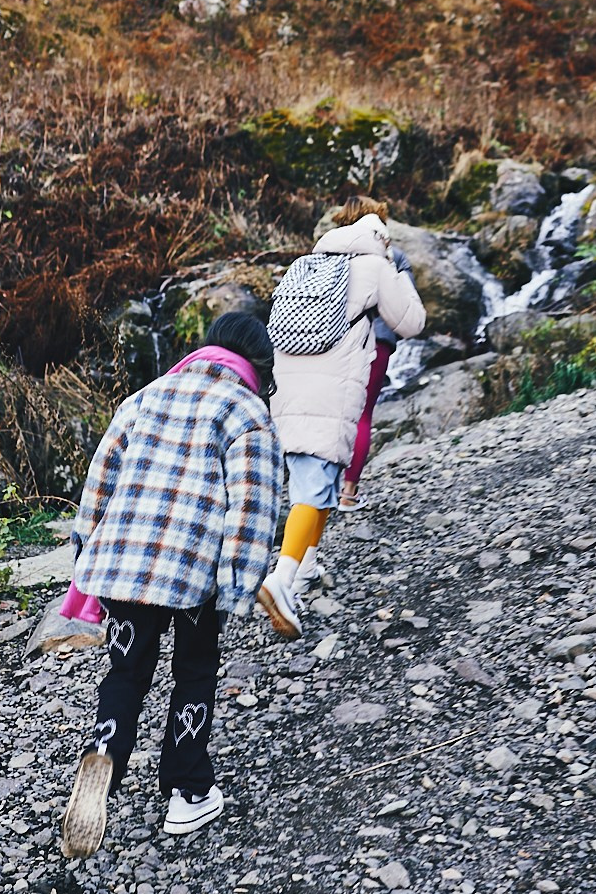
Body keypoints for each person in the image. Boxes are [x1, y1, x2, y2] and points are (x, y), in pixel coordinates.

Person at [61, 312, 282, 860]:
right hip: (191, 571)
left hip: (122, 566)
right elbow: (251, 510)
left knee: (126, 669)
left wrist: (87, 557)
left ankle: (104, 757)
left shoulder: (144, 397)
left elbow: (100, 481)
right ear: (259, 368)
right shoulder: (247, 411)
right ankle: (187, 789)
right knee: (194, 669)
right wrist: (235, 589)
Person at [258, 199, 426, 640]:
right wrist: (397, 269)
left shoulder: (304, 266)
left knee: (317, 479)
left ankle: (306, 565)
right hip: (332, 386)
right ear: (380, 241)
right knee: (314, 486)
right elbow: (412, 322)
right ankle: (282, 579)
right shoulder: (374, 268)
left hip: (287, 385)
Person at [338, 213, 417, 512]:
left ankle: (320, 489)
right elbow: (407, 308)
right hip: (378, 342)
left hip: (337, 339)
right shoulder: (392, 257)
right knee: (363, 415)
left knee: (336, 413)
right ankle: (348, 493)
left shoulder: (335, 255)